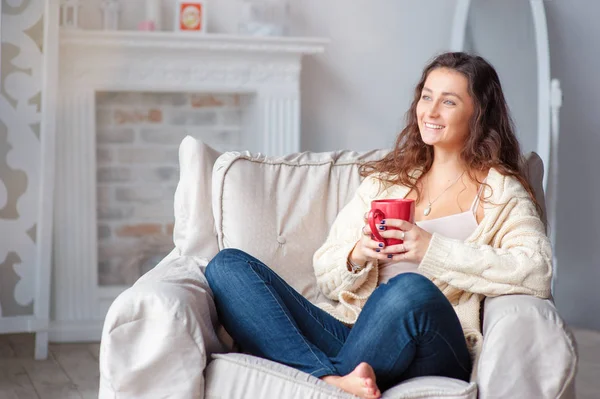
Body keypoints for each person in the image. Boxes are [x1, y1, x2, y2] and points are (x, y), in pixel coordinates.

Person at [205, 52, 552, 399]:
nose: (430, 112)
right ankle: (331, 381)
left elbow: (537, 270)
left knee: (408, 288)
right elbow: (325, 271)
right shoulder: (387, 181)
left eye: (448, 101)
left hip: (432, 340)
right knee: (227, 266)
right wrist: (357, 256)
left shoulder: (500, 191)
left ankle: (318, 376)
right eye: (426, 96)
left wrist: (432, 249)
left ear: (478, 113)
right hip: (354, 329)